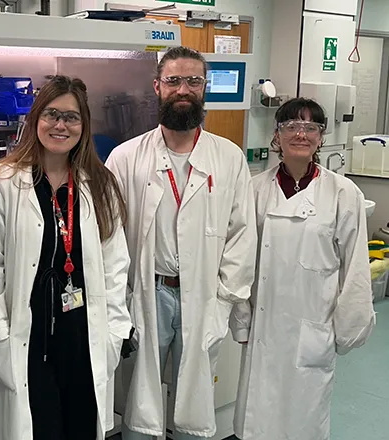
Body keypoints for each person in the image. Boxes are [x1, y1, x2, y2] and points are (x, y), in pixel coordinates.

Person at [105, 46, 257, 439]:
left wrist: (224, 299)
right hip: (147, 294)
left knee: (195, 398)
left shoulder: (229, 157)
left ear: (205, 88)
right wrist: (119, 298)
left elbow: (242, 235)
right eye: (174, 80)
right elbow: (110, 236)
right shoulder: (125, 158)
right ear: (157, 87)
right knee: (142, 398)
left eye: (193, 81)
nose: (183, 89)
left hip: (204, 295)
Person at [0, 76, 133, 440]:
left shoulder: (100, 183)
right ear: (35, 120)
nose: (61, 125)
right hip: (28, 337)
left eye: (71, 117)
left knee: (80, 423)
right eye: (51, 114)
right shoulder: (6, 181)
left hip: (83, 334)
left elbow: (115, 263)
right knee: (38, 425)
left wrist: (113, 330)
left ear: (84, 125)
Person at [232, 98, 376, 440]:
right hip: (264, 324)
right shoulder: (254, 190)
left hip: (313, 325)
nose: (301, 134)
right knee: (259, 419)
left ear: (321, 137)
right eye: (291, 126)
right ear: (276, 135)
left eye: (310, 127)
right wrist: (241, 319)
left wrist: (346, 330)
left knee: (305, 418)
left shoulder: (343, 194)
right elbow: (240, 261)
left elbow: (355, 269)